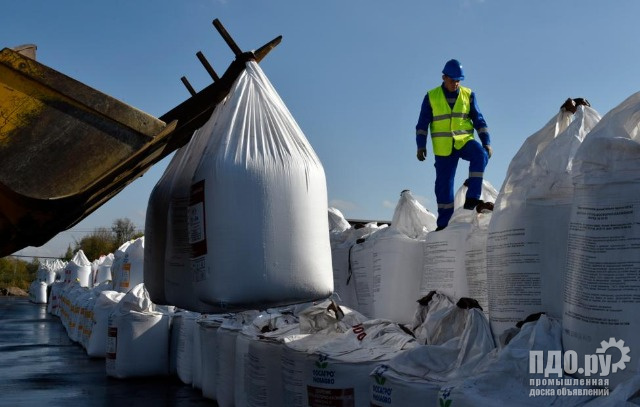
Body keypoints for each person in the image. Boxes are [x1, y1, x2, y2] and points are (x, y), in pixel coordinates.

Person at [415, 59, 493, 231]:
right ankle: (444, 225)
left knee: (480, 154)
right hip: (443, 148)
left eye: (458, 80)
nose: (455, 84)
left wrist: (486, 142)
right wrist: (421, 145)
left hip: (463, 141)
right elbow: (422, 124)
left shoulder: (468, 95)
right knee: (443, 186)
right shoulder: (431, 97)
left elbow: (479, 121)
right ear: (444, 77)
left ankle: (472, 199)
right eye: (452, 80)